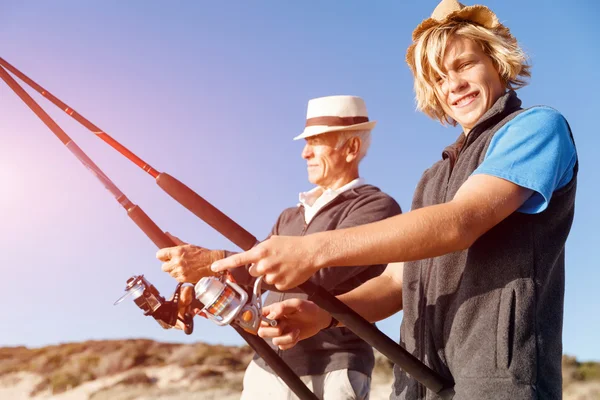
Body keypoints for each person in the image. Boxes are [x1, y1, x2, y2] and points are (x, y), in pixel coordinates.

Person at [211, 1, 578, 399]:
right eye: (438, 78)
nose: (452, 85)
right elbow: (393, 282)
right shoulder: (432, 178)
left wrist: (312, 250)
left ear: (496, 61)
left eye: (464, 65)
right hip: (415, 385)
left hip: (498, 385)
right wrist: (321, 315)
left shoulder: (537, 127)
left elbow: (461, 222)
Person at [157, 95, 402, 400]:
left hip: (333, 370)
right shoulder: (289, 216)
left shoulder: (376, 207)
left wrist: (214, 261)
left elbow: (316, 274)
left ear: (351, 148)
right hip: (265, 366)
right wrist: (207, 285)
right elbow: (258, 281)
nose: (304, 153)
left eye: (316, 142)